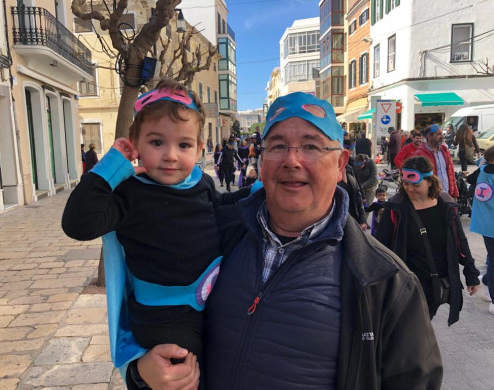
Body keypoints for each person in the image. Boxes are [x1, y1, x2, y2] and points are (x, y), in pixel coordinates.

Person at [139, 92, 442, 389]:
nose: (291, 160)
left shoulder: (385, 281)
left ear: (340, 165)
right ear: (262, 159)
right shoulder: (215, 233)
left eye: (311, 146)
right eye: (278, 146)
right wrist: (141, 371)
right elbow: (148, 308)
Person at [62, 79, 246, 389]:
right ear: (135, 142)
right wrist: (112, 166)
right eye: (157, 142)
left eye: (184, 145)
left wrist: (254, 194)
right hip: (163, 320)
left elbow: (219, 209)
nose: (171, 155)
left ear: (199, 148)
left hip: (208, 308)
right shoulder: (130, 194)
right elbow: (78, 224)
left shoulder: (200, 182)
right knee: (183, 379)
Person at [375, 156, 480, 325]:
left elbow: (460, 242)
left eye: (416, 185)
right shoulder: (396, 208)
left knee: (421, 324)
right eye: (406, 184)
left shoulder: (446, 205)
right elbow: (380, 246)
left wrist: (471, 274)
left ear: (430, 181)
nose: (410, 189)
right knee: (413, 327)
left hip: (438, 280)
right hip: (407, 281)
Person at [470, 145, 494, 315]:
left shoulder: (482, 170)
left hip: (486, 223)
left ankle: (486, 281)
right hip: (489, 224)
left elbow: (470, 180)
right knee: (493, 262)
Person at [413, 124, 459, 199]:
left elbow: (451, 173)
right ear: (429, 136)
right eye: (438, 134)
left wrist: (454, 193)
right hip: (431, 196)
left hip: (447, 193)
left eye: (442, 134)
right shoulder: (420, 154)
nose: (442, 136)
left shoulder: (445, 151)